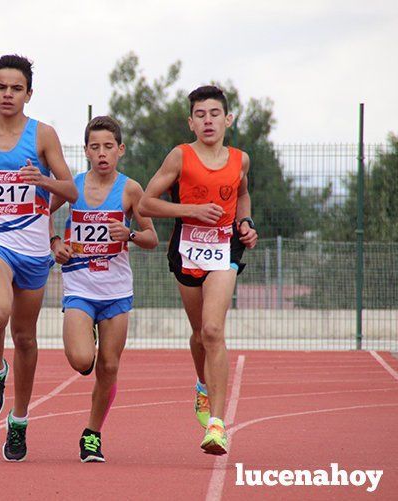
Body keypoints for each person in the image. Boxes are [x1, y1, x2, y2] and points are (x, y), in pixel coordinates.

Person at [0, 54, 78, 462]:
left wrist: (43, 183)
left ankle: (19, 420)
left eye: (16, 88)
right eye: (1, 87)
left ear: (28, 93)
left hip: (33, 246)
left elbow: (71, 190)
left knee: (24, 338)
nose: (8, 94)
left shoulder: (43, 136)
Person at [138, 85, 258, 455]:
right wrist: (190, 211)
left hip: (225, 249)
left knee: (213, 329)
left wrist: (246, 223)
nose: (208, 121)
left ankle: (218, 425)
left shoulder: (241, 160)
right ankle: (203, 386)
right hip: (187, 250)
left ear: (228, 119)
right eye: (201, 115)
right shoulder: (180, 157)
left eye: (214, 114)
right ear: (191, 123)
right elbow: (145, 203)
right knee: (197, 334)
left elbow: (241, 195)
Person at [50, 116, 158, 462]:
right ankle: (86, 344)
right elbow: (40, 215)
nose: (101, 153)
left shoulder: (130, 190)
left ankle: (92, 434)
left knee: (109, 367)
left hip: (116, 290)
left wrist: (131, 235)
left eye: (108, 147)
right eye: (94, 147)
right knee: (83, 360)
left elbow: (152, 237)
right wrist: (55, 242)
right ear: (85, 151)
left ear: (120, 150)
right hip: (80, 286)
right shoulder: (73, 187)